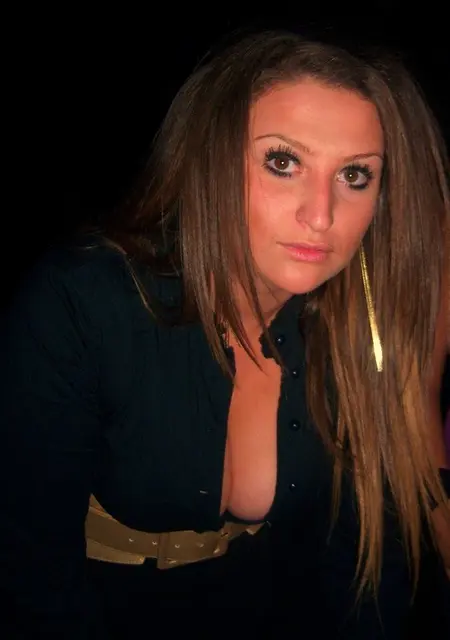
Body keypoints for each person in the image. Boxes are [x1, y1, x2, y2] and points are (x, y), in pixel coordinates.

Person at [1, 28, 450, 639]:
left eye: (354, 175)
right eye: (283, 162)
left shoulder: (350, 325)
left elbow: (366, 559)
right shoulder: (85, 303)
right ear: (210, 161)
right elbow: (31, 568)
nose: (321, 215)